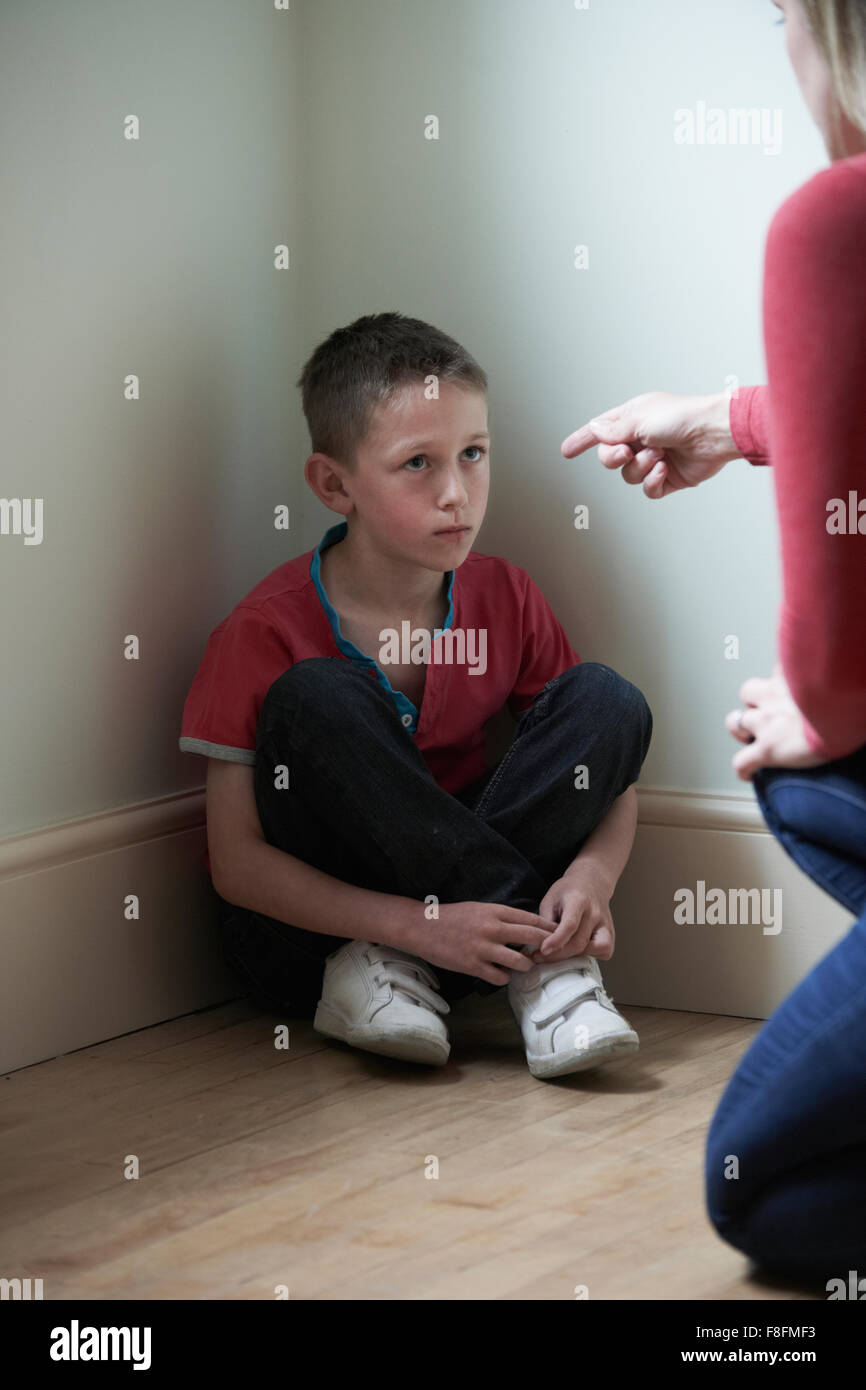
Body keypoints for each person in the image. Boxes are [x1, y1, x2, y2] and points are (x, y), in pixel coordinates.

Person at [561, 0, 866, 1281]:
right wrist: (739, 417)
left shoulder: (835, 220)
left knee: (761, 1190)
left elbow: (835, 682)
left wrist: (817, 709)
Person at [179, 311, 652, 1080]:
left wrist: (592, 878)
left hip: (470, 930)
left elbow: (605, 774)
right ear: (336, 484)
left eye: (473, 455)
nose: (457, 493)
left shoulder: (506, 595)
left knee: (608, 699)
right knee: (317, 695)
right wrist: (416, 925)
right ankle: (540, 971)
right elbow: (236, 863)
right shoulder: (263, 631)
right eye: (417, 465)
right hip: (308, 944)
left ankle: (492, 964)